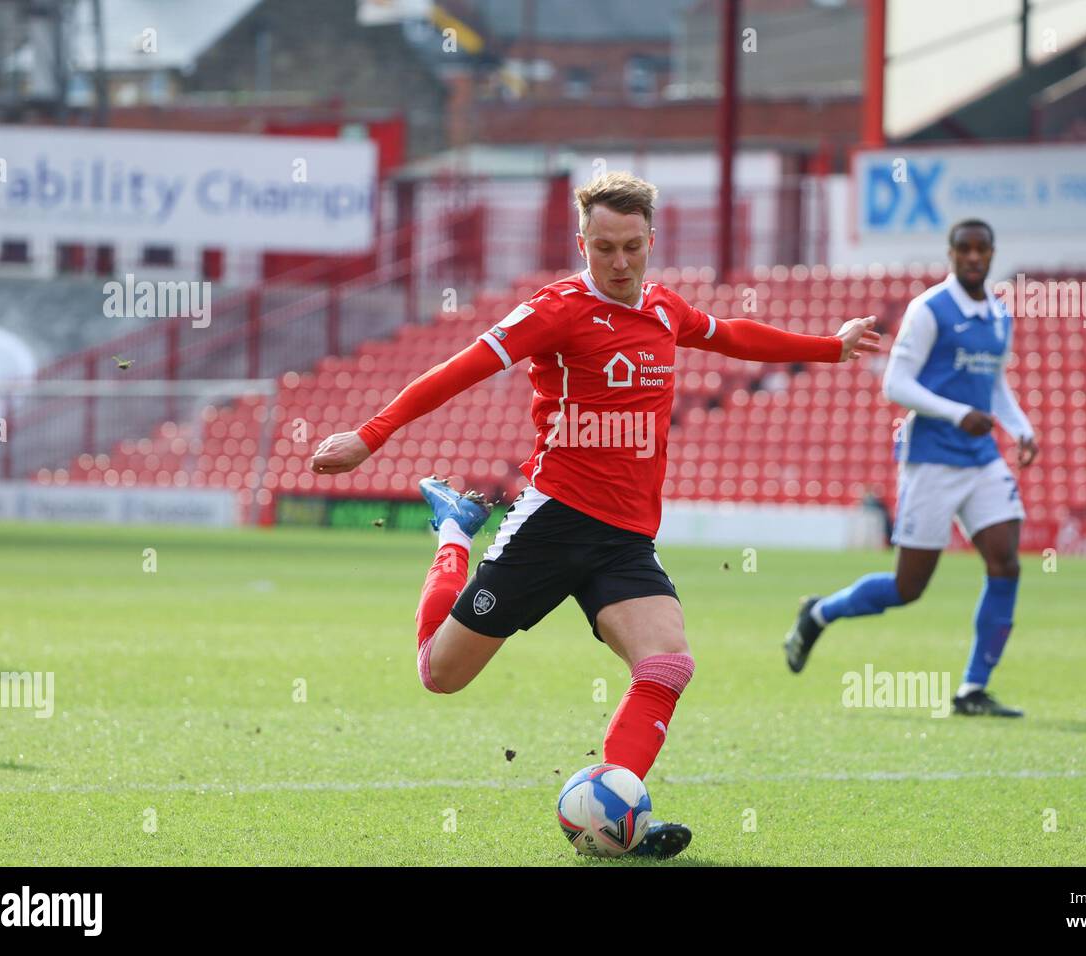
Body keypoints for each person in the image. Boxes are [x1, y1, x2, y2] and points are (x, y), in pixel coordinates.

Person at [312, 171, 880, 857]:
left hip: (624, 538)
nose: (617, 263)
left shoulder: (664, 310)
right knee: (440, 674)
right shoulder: (555, 311)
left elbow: (731, 335)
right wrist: (371, 436)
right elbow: (460, 368)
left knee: (668, 664)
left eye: (631, 248)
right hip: (553, 523)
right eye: (602, 247)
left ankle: (616, 817)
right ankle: (457, 530)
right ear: (582, 242)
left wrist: (830, 345)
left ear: (649, 241)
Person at [783, 220, 1037, 717]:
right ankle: (818, 613)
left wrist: (1020, 427)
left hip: (982, 459)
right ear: (950, 253)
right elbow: (895, 384)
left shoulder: (999, 316)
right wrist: (956, 413)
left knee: (1006, 560)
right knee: (908, 588)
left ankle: (972, 690)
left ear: (992, 254)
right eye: (963, 249)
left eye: (981, 249)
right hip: (932, 459)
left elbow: (995, 385)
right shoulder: (930, 310)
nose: (972, 257)